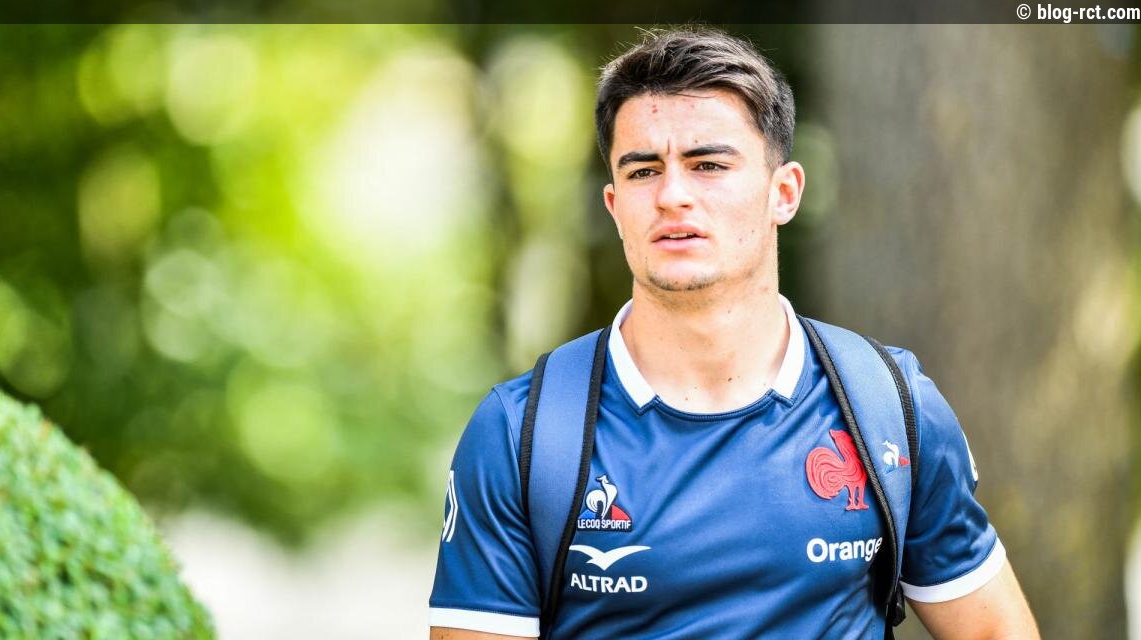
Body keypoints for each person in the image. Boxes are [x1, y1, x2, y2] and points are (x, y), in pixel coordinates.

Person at [428, 27, 1039, 639]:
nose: (672, 195)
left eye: (708, 165)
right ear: (614, 206)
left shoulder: (889, 406)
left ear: (784, 193)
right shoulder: (522, 433)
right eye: (643, 171)